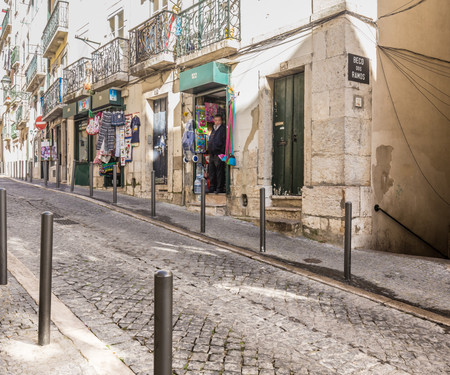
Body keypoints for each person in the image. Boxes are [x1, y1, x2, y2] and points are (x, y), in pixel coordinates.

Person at [207, 114, 226, 193]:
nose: (217, 122)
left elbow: (224, 141)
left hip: (219, 153)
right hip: (212, 153)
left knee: (219, 172)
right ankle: (212, 187)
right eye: (215, 120)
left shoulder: (223, 129)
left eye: (218, 120)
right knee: (212, 171)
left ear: (221, 121)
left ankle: (219, 188)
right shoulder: (213, 129)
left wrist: (222, 152)